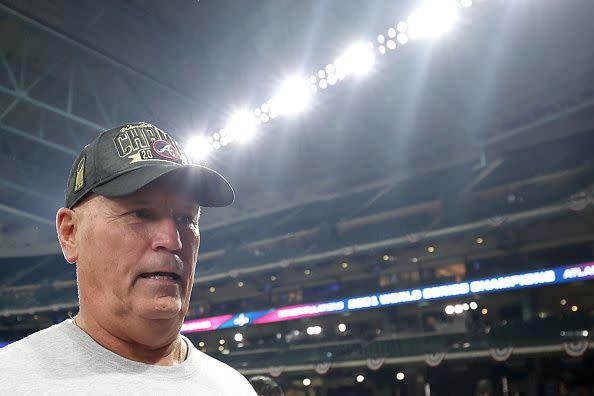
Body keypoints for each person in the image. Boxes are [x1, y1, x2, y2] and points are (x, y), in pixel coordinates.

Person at [0, 122, 257, 395]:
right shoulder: (10, 380)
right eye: (141, 214)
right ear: (70, 233)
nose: (173, 240)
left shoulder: (235, 388)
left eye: (185, 219)